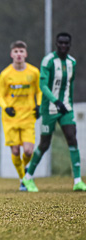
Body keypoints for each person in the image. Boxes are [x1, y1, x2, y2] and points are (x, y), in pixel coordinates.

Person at [22, 32, 86, 192]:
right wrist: (56, 102)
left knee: (72, 138)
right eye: (61, 43)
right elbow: (43, 86)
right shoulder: (48, 61)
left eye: (66, 43)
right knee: (44, 144)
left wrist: (67, 104)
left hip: (66, 109)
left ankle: (78, 180)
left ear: (70, 45)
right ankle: (28, 177)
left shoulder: (72, 62)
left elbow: (69, 86)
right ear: (56, 44)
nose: (63, 46)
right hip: (49, 109)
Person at [0, 41, 42, 191]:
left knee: (28, 151)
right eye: (16, 51)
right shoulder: (5, 74)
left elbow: (39, 91)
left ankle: (25, 174)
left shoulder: (34, 72)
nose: (19, 54)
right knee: (15, 151)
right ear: (11, 54)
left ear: (26, 54)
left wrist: (39, 105)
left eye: (21, 51)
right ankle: (24, 178)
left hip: (28, 116)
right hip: (11, 118)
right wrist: (6, 107)